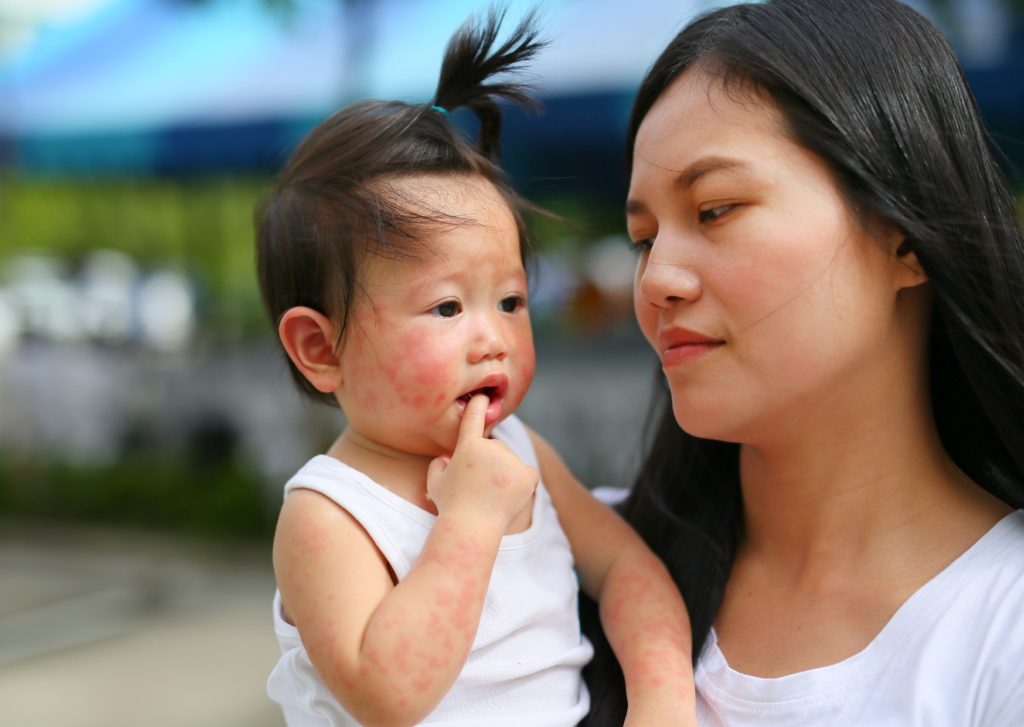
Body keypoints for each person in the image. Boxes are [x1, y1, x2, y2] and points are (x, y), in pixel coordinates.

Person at [579, 0, 1024, 725]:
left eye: (715, 209)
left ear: (903, 234)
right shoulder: (565, 564)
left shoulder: (1002, 629)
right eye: (643, 239)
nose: (657, 278)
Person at [257, 9, 696, 727]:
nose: (492, 336)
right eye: (446, 308)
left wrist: (661, 698)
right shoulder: (329, 516)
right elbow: (388, 693)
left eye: (512, 299)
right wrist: (468, 518)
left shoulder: (519, 448)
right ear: (321, 349)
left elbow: (626, 569)